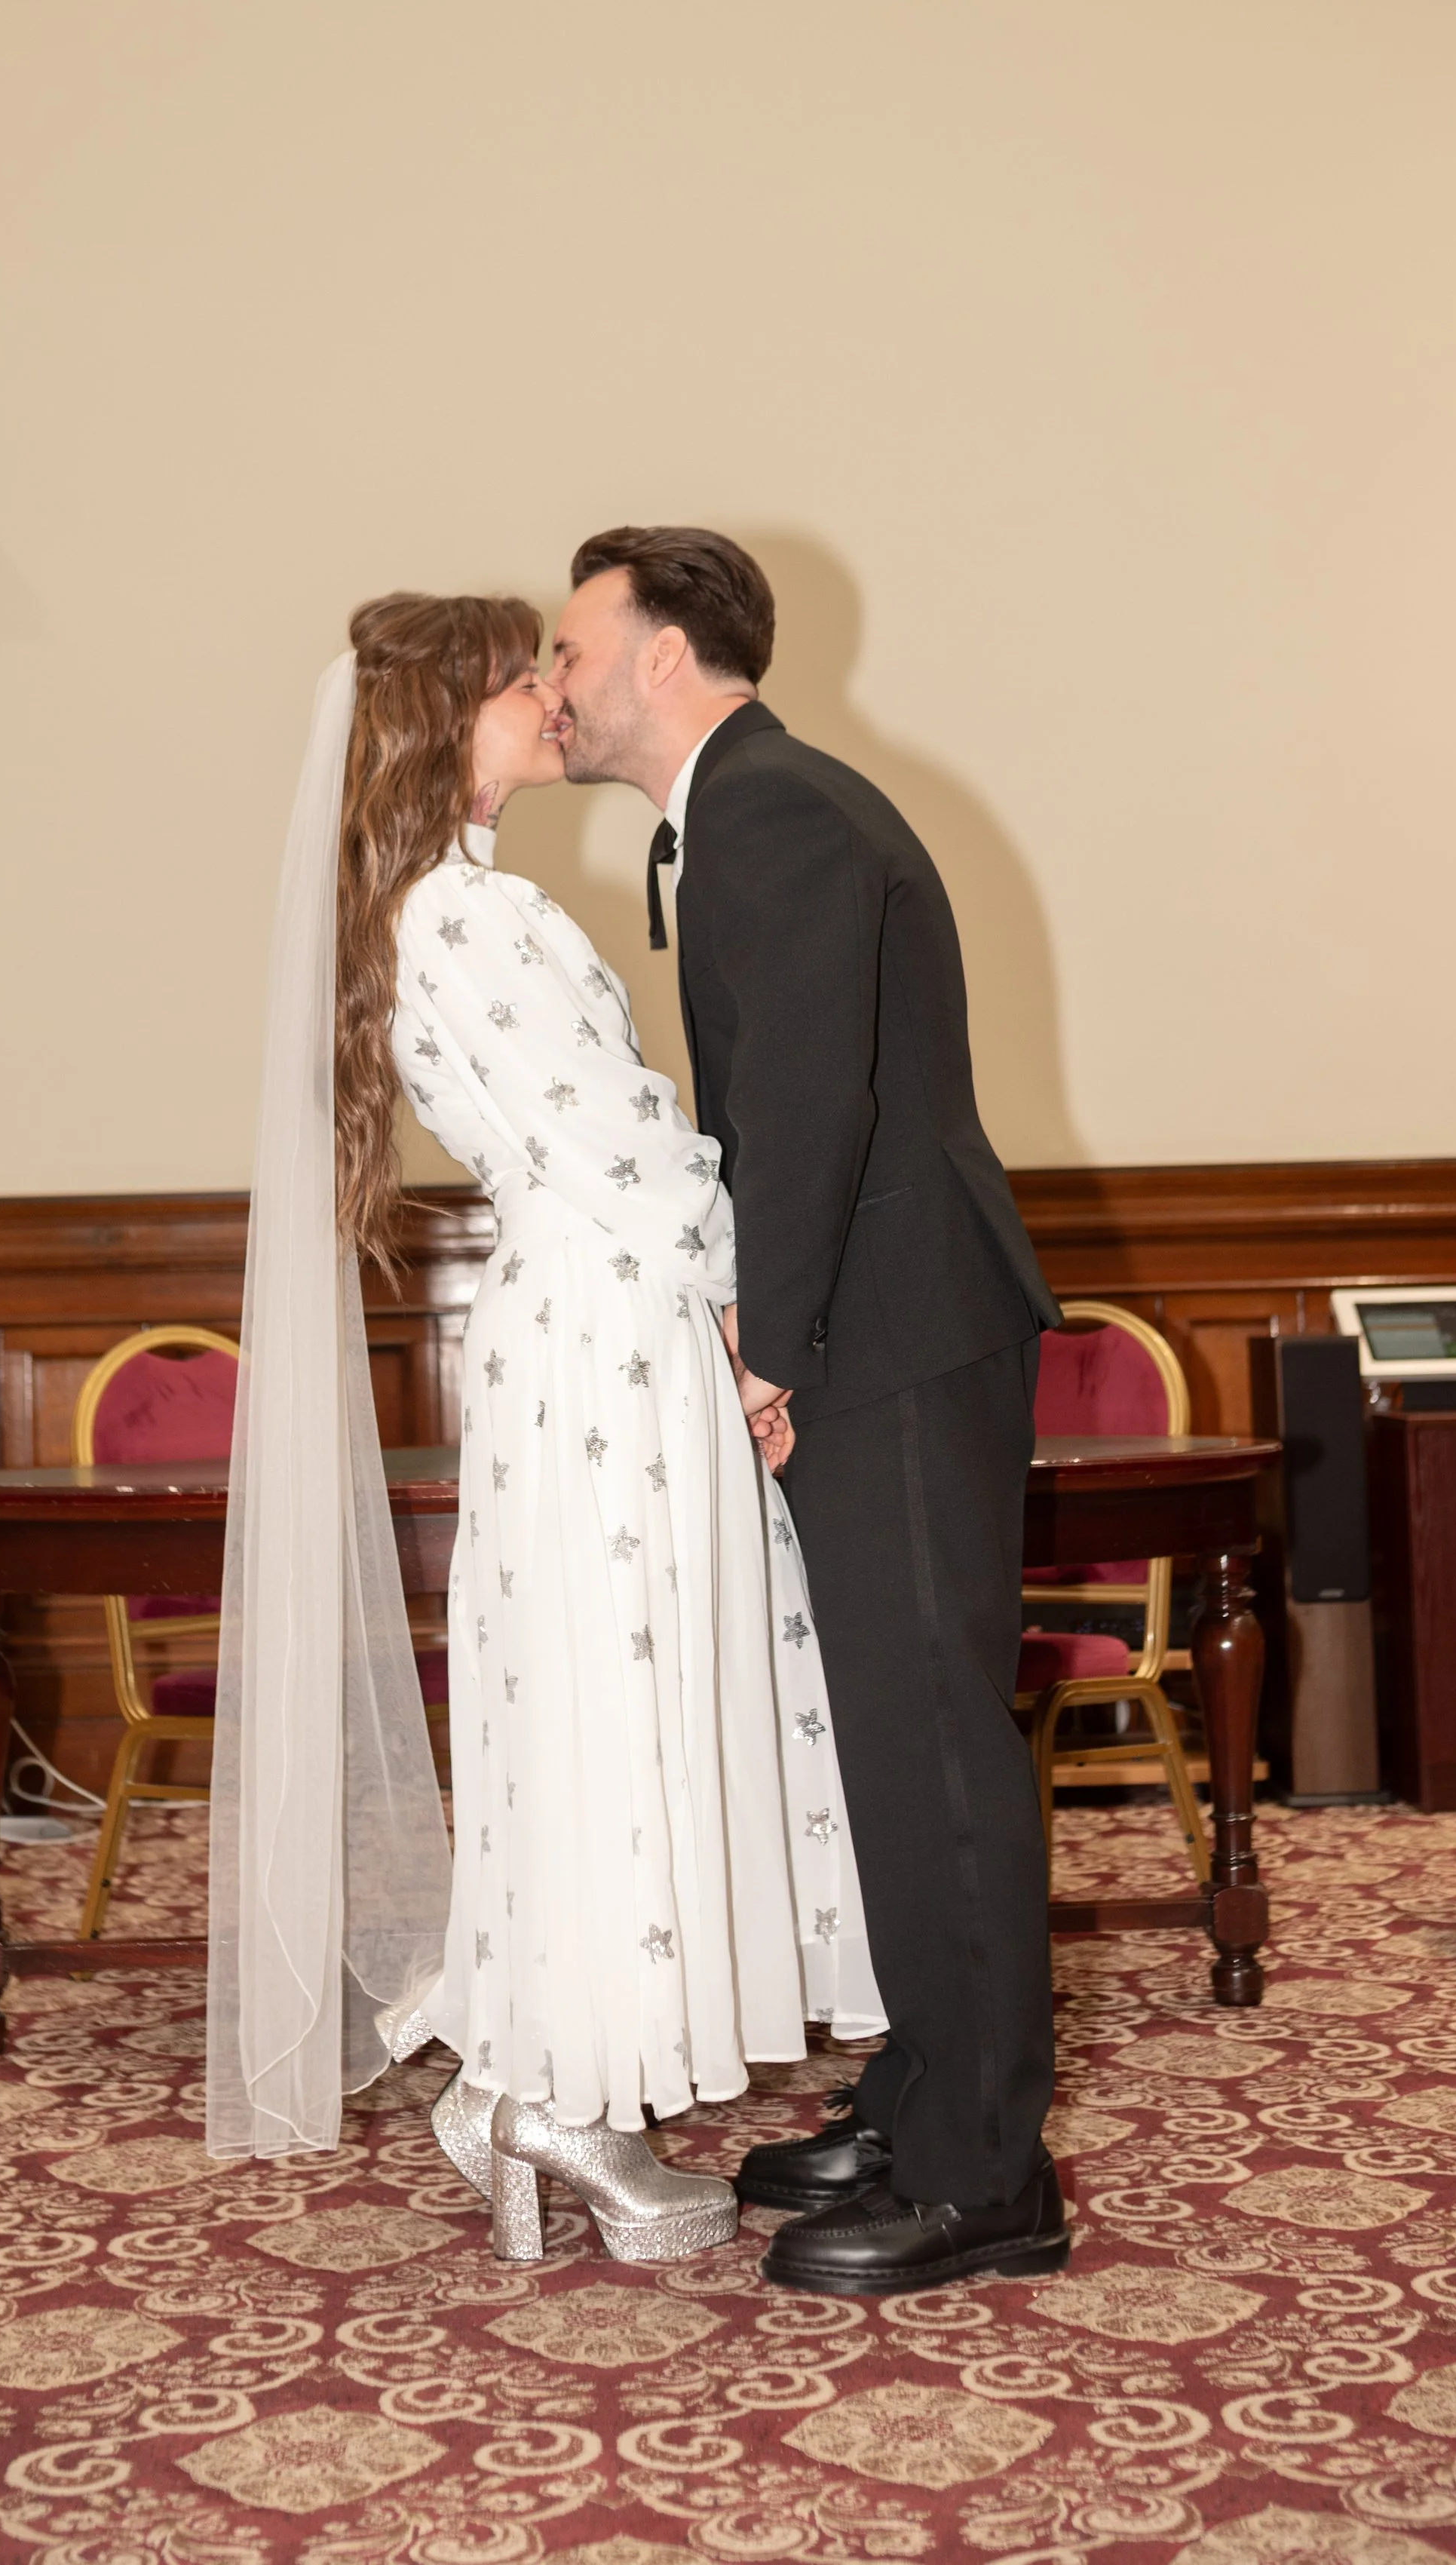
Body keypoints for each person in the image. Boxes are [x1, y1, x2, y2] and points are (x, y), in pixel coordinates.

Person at [207, 590, 884, 2268]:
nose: (545, 700)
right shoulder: (474, 920)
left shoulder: (435, 913)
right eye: (520, 681)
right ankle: (554, 2094)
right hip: (612, 1339)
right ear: (450, 722)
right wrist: (756, 1321)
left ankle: (534, 2083)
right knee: (610, 1687)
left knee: (584, 1687)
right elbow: (628, 1149)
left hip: (576, 1326)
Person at [551, 526, 1069, 2293]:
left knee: (929, 1746)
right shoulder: (753, 804)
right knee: (894, 1736)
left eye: (573, 647)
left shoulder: (767, 808)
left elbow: (805, 1102)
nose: (555, 681)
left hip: (892, 1330)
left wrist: (770, 1342)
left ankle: (985, 2178)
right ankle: (929, 2090)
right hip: (889, 1316)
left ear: (665, 656)